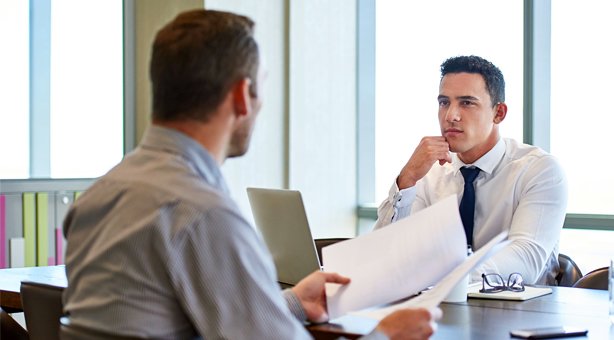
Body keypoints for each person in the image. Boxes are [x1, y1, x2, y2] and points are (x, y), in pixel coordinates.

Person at [62, 9, 440, 339]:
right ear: (243, 95)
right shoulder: (202, 214)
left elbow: (170, 314)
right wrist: (386, 336)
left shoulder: (100, 194)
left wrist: (291, 303)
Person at [375, 55, 568, 286]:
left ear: (499, 113)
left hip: (523, 314)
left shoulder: (539, 170)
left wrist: (442, 277)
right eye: (444, 102)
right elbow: (386, 255)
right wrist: (406, 181)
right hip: (439, 313)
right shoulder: (430, 173)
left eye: (466, 103)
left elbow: (525, 261)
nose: (450, 116)